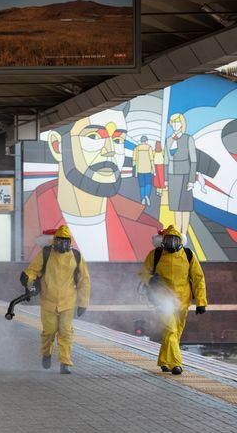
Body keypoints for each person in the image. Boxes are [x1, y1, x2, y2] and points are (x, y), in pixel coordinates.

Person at [23, 106, 161, 261]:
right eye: (94, 136)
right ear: (57, 146)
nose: (109, 150)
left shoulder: (150, 230)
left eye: (118, 140)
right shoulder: (23, 225)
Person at [22, 225, 90, 374]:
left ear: (69, 241)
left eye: (65, 240)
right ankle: (46, 353)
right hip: (48, 301)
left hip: (68, 301)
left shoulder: (76, 256)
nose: (62, 243)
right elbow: (33, 270)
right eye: (59, 240)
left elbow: (84, 280)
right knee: (49, 331)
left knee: (66, 331)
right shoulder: (46, 253)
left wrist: (83, 302)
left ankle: (65, 362)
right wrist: (28, 279)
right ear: (54, 240)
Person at [139, 225, 206, 375]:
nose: (171, 243)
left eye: (175, 239)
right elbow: (143, 272)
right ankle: (176, 364)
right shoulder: (155, 254)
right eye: (168, 239)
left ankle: (164, 360)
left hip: (183, 301)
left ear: (180, 240)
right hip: (162, 299)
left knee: (175, 333)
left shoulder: (188, 255)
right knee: (171, 330)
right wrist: (151, 279)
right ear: (163, 240)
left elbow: (198, 279)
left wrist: (201, 302)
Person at [164, 113, 197, 239]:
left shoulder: (188, 139)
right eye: (172, 122)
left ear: (182, 124)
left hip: (185, 175)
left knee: (185, 206)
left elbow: (193, 160)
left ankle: (184, 233)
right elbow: (166, 160)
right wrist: (166, 179)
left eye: (177, 122)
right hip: (172, 176)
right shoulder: (168, 140)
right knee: (176, 207)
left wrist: (191, 180)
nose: (175, 125)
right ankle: (178, 232)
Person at [133, 135, 155, 206]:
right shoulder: (149, 148)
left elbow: (134, 160)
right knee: (148, 184)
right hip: (148, 169)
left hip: (140, 170)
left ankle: (142, 199)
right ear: (146, 141)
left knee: (142, 185)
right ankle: (147, 196)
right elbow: (152, 159)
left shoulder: (137, 148)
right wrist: (154, 169)